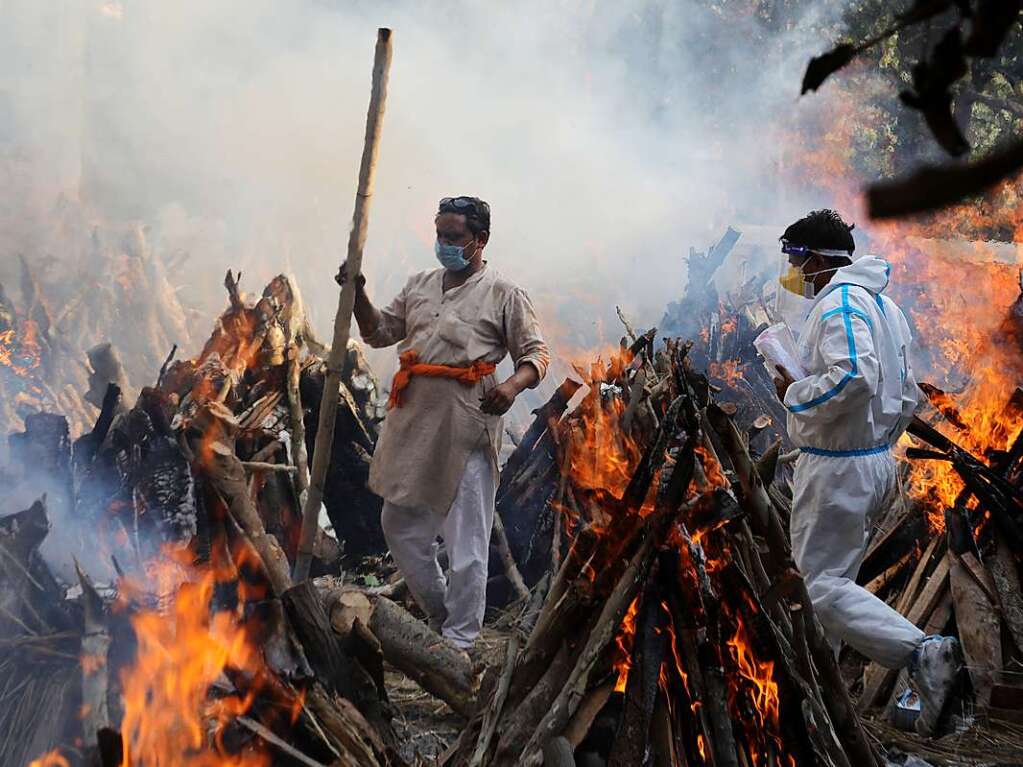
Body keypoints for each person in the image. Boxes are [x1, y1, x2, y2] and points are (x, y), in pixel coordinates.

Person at [772, 209, 959, 736]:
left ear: (813, 258)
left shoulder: (840, 303)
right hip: (867, 460)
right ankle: (820, 701)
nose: (791, 271)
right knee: (837, 583)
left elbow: (853, 377)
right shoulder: (882, 304)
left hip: (838, 467)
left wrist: (794, 389)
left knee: (819, 588)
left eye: (794, 258)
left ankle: (922, 653)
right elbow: (905, 392)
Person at [338, 195, 549, 653]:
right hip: (413, 422)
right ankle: (440, 613)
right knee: (398, 523)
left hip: (467, 423)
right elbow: (378, 332)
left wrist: (510, 388)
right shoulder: (420, 286)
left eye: (453, 237)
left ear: (480, 240)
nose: (444, 244)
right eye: (440, 235)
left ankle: (460, 642)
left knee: (466, 540)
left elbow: (536, 357)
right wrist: (358, 297)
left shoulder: (504, 294)